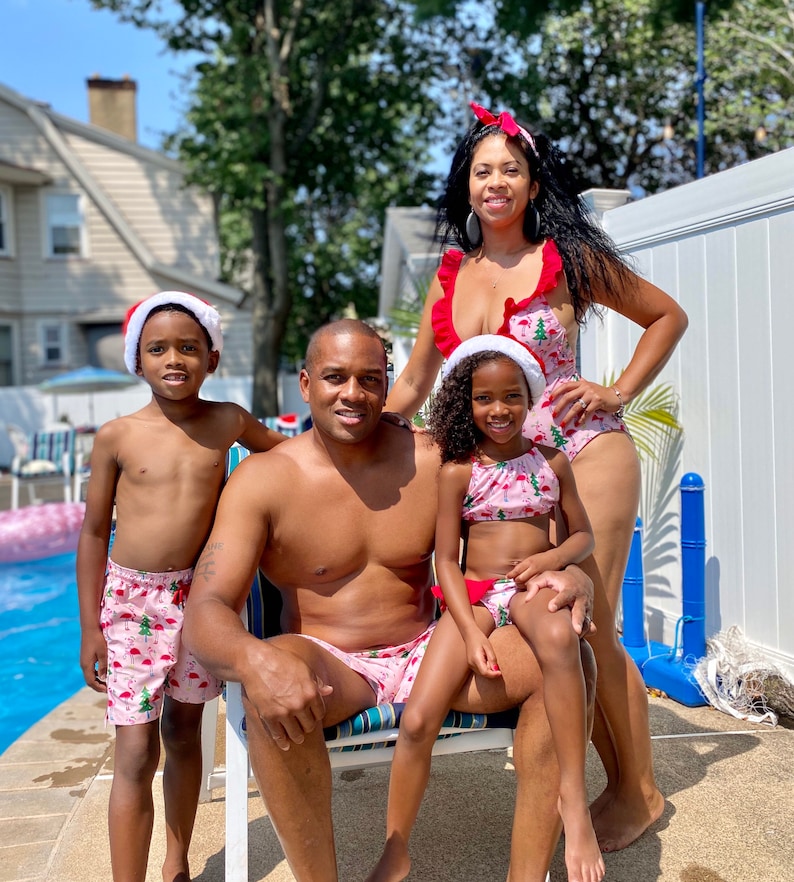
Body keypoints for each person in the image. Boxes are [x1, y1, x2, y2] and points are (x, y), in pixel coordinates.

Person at [182, 319, 597, 882]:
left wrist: (574, 576)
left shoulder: (435, 460)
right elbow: (205, 611)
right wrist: (257, 661)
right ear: (305, 384)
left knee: (569, 660)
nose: (353, 394)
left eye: (369, 379)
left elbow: (528, 515)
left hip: (434, 651)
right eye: (335, 377)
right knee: (269, 692)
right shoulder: (264, 480)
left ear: (387, 384)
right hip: (333, 664)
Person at [384, 100, 689, 851]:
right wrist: (350, 428)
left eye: (510, 169)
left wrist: (616, 392)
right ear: (467, 186)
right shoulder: (448, 278)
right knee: (559, 625)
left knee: (598, 620)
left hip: (586, 449)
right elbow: (417, 379)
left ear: (529, 181)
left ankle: (638, 791)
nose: (496, 181)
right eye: (483, 170)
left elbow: (667, 316)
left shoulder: (568, 258)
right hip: (503, 474)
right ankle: (601, 782)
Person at [368, 333, 604, 882]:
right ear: (465, 403)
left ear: (531, 396)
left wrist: (554, 557)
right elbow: (446, 561)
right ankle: (396, 848)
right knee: (421, 715)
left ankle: (573, 795)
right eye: (484, 398)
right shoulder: (458, 470)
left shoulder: (551, 460)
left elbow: (584, 537)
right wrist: (472, 635)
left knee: (558, 640)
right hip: (475, 597)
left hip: (530, 587)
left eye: (512, 396)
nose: (499, 410)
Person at [77, 291, 286, 882]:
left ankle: (176, 862)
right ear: (137, 361)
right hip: (130, 602)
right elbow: (94, 532)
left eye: (189, 348)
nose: (175, 359)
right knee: (136, 752)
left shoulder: (227, 422)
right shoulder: (117, 436)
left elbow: (294, 457)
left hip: (200, 599)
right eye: (158, 348)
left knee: (185, 731)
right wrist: (91, 626)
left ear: (212, 359)